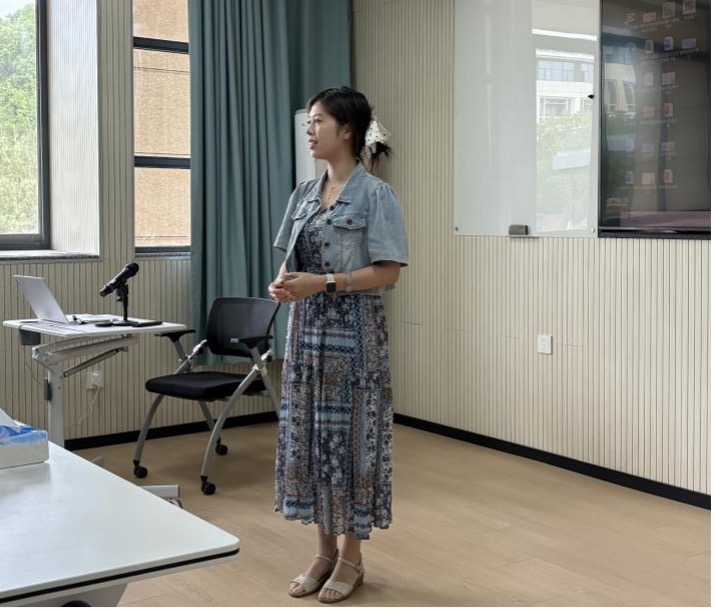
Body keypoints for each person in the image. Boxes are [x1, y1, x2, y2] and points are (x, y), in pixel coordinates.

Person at [270, 86, 408, 604]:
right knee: (310, 438)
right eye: (308, 122)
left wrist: (323, 283)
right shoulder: (304, 194)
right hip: (306, 332)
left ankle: (352, 555)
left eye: (318, 121)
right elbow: (292, 261)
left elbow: (389, 272)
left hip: (354, 335)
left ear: (347, 130)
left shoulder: (376, 195)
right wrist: (284, 283)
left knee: (351, 442)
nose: (310, 130)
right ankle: (323, 551)